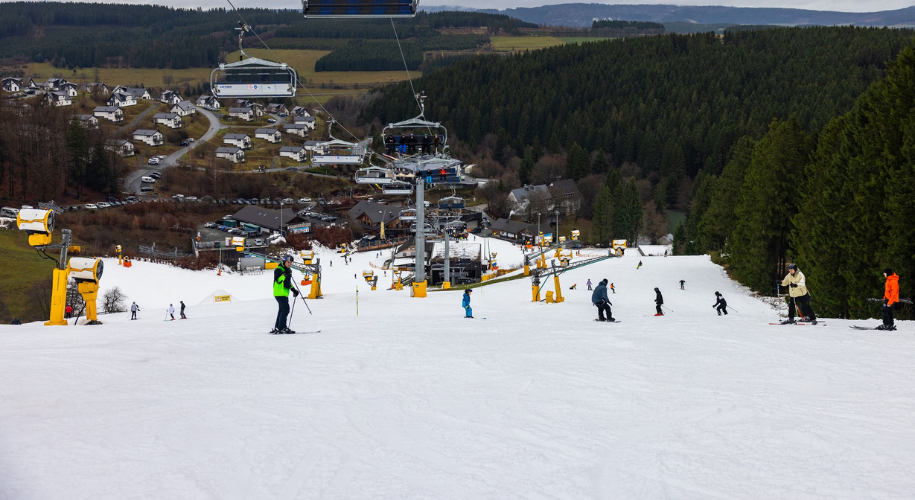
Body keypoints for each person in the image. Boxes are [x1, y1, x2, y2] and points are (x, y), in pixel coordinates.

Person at [273, 255, 299, 334]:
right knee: (286, 309)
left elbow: (288, 282)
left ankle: (278, 327)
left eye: (290, 262)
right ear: (284, 262)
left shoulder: (288, 270)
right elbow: (278, 281)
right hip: (279, 292)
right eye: (288, 262)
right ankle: (282, 327)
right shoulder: (278, 269)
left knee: (282, 310)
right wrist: (284, 274)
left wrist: (293, 290)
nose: (289, 264)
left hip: (284, 293)